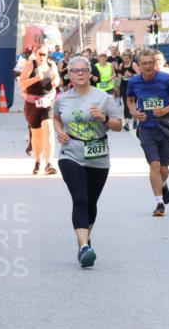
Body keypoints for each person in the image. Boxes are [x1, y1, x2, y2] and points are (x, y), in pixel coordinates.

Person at [52, 55, 123, 267]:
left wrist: (103, 118)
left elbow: (119, 125)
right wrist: (58, 131)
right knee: (80, 198)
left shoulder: (103, 98)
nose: (80, 73)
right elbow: (56, 117)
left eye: (84, 70)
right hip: (70, 153)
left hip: (98, 154)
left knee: (91, 202)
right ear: (69, 75)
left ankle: (85, 239)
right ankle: (84, 247)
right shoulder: (62, 99)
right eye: (76, 71)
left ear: (91, 74)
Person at [127, 48, 169, 216]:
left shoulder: (166, 79)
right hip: (146, 128)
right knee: (155, 165)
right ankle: (159, 204)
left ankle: (163, 184)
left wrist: (166, 109)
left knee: (164, 169)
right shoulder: (134, 82)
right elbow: (130, 101)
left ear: (155, 63)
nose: (148, 66)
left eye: (150, 63)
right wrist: (135, 113)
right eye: (144, 63)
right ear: (139, 65)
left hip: (164, 126)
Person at [18, 45, 60, 175]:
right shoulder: (30, 65)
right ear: (35, 54)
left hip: (47, 102)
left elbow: (57, 78)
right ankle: (37, 162)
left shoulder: (51, 64)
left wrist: (56, 82)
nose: (42, 57)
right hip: (32, 104)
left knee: (48, 129)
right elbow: (22, 83)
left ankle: (49, 164)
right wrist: (36, 79)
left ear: (48, 55)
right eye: (40, 54)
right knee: (36, 135)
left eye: (45, 54)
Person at [115, 50, 139, 130]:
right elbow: (118, 73)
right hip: (124, 86)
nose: (125, 60)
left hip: (133, 86)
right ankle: (127, 123)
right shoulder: (121, 65)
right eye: (124, 58)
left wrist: (131, 75)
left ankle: (135, 120)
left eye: (127, 58)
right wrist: (121, 76)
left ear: (130, 58)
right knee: (126, 104)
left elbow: (139, 75)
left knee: (133, 104)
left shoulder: (134, 64)